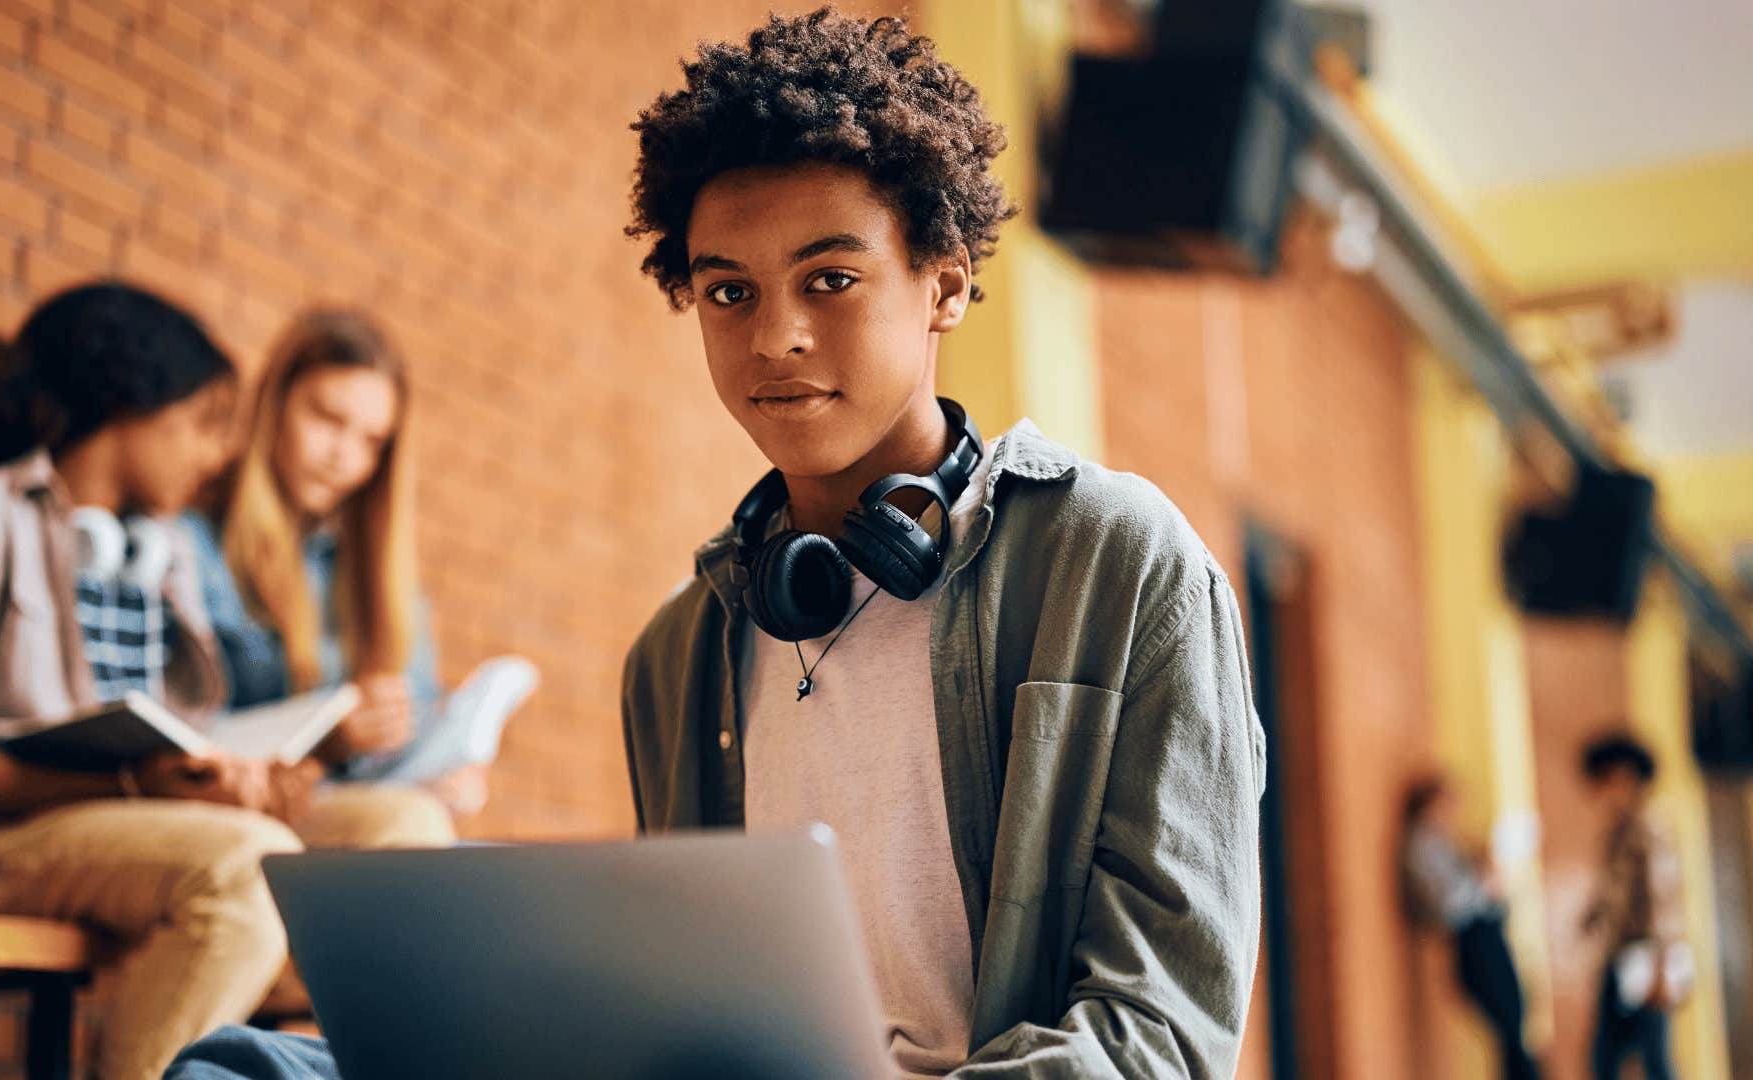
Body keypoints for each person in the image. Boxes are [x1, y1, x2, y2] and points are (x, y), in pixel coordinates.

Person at [170, 9, 1262, 1080]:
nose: (775, 335)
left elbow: (1158, 1036)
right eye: (729, 291)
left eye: (830, 280)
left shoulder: (1120, 569)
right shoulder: (680, 652)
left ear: (946, 283)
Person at [0, 282, 453, 1080]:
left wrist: (240, 775)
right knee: (242, 868)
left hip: (138, 827)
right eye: (198, 426)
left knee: (406, 838)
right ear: (131, 414)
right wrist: (131, 781)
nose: (214, 453)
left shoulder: (166, 555)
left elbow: (194, 728)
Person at [180, 309, 515, 819]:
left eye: (371, 442)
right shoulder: (195, 542)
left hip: (340, 802)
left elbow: (417, 707)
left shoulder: (379, 576)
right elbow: (180, 735)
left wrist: (442, 768)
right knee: (407, 826)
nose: (344, 456)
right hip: (233, 807)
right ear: (276, 404)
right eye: (327, 419)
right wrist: (324, 740)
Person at [1400, 774, 1540, 1080]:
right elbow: (1449, 904)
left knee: (1515, 1027)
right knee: (1510, 1033)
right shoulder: (1422, 845)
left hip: (1489, 938)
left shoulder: (1447, 842)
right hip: (1474, 946)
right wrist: (1482, 880)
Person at [1581, 733, 1688, 1080]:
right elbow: (1614, 892)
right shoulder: (1618, 830)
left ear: (1626, 778)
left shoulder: (1647, 825)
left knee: (1653, 1058)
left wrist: (1662, 966)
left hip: (1646, 957)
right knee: (1608, 1059)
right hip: (1620, 957)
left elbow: (1662, 898)